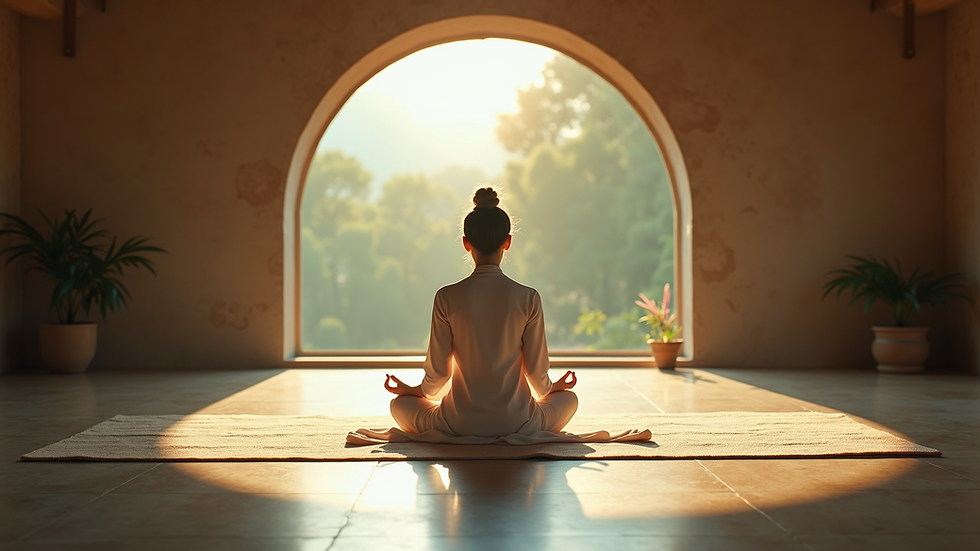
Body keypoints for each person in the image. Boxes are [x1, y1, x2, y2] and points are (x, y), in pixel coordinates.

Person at [383, 187, 579, 437]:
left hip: (457, 424)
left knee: (398, 404)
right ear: (508, 242)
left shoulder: (446, 297)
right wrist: (554, 387)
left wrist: (411, 390)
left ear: (466, 243)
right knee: (569, 399)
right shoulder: (528, 297)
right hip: (519, 424)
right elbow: (537, 378)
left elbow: (437, 379)